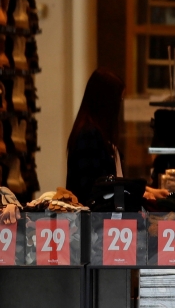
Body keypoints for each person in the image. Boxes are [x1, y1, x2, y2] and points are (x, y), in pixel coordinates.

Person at [66, 69, 168, 206]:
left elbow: (112, 180)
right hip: (93, 221)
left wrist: (146, 190)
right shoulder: (89, 135)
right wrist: (140, 193)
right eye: (119, 99)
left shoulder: (96, 132)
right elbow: (95, 188)